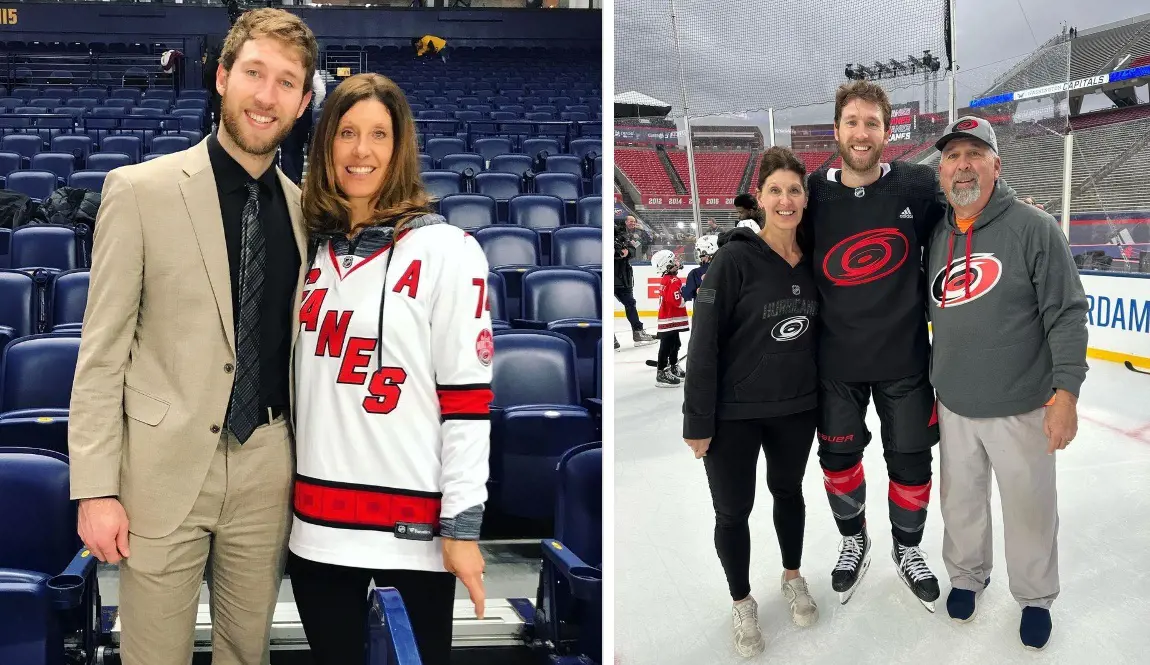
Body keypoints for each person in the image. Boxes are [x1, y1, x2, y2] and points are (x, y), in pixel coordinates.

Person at [67, 9, 317, 665]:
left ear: (301, 100)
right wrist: (95, 487)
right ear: (222, 76)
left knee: (247, 652)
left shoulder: (304, 211)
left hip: (267, 465)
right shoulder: (140, 191)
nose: (266, 96)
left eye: (286, 82)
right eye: (254, 73)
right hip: (160, 466)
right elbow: (101, 355)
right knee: (153, 655)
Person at [287, 72, 489, 665]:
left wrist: (463, 525)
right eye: (346, 133)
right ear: (325, 144)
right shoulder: (308, 246)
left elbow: (468, 403)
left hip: (415, 534)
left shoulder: (449, 250)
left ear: (400, 148)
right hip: (316, 531)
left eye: (379, 134)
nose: (361, 151)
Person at [927, 117, 1087, 650]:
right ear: (942, 171)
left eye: (975, 154)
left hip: (1022, 404)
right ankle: (968, 576)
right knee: (961, 505)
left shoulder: (1033, 228)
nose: (963, 165)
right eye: (952, 157)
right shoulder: (937, 234)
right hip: (955, 404)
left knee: (1029, 509)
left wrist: (1066, 394)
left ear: (997, 164)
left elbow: (1066, 314)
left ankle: (1036, 596)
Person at [806, 79, 946, 610]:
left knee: (911, 464)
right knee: (838, 461)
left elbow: (962, 221)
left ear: (888, 131)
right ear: (837, 129)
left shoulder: (913, 186)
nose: (861, 134)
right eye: (852, 122)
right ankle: (853, 539)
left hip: (905, 362)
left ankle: (906, 549)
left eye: (873, 123)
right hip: (835, 363)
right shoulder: (813, 190)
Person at [683, 147, 820, 658]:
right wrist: (697, 419)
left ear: (805, 198)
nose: (785, 200)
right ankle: (742, 601)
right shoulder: (733, 259)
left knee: (789, 493)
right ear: (759, 198)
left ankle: (792, 575)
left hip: (795, 408)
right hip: (733, 414)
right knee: (733, 511)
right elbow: (704, 343)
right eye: (776, 190)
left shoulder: (814, 258)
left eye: (794, 190)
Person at [614, 214, 657, 349]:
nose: (633, 224)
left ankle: (638, 332)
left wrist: (628, 253)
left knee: (630, 303)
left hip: (623, 276)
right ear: (625, 222)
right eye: (631, 221)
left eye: (634, 221)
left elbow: (639, 248)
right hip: (611, 274)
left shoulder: (632, 236)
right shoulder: (617, 231)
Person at [279, 68, 326, 184]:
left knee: (286, 149)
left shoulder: (284, 67)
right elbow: (321, 91)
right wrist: (314, 105)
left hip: (286, 110)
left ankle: (289, 182)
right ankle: (297, 181)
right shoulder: (311, 70)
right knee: (299, 149)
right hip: (305, 112)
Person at [650, 249, 688, 387]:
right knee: (666, 345)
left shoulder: (667, 279)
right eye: (674, 260)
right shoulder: (672, 280)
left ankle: (673, 366)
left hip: (670, 318)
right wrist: (686, 295)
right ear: (667, 264)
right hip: (670, 319)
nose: (677, 262)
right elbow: (676, 301)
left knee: (675, 344)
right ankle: (661, 372)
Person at [681, 234, 717, 303]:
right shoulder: (728, 269)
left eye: (699, 251)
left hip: (703, 312)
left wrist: (683, 288)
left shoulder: (695, 273)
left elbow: (687, 294)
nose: (699, 255)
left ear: (706, 253)